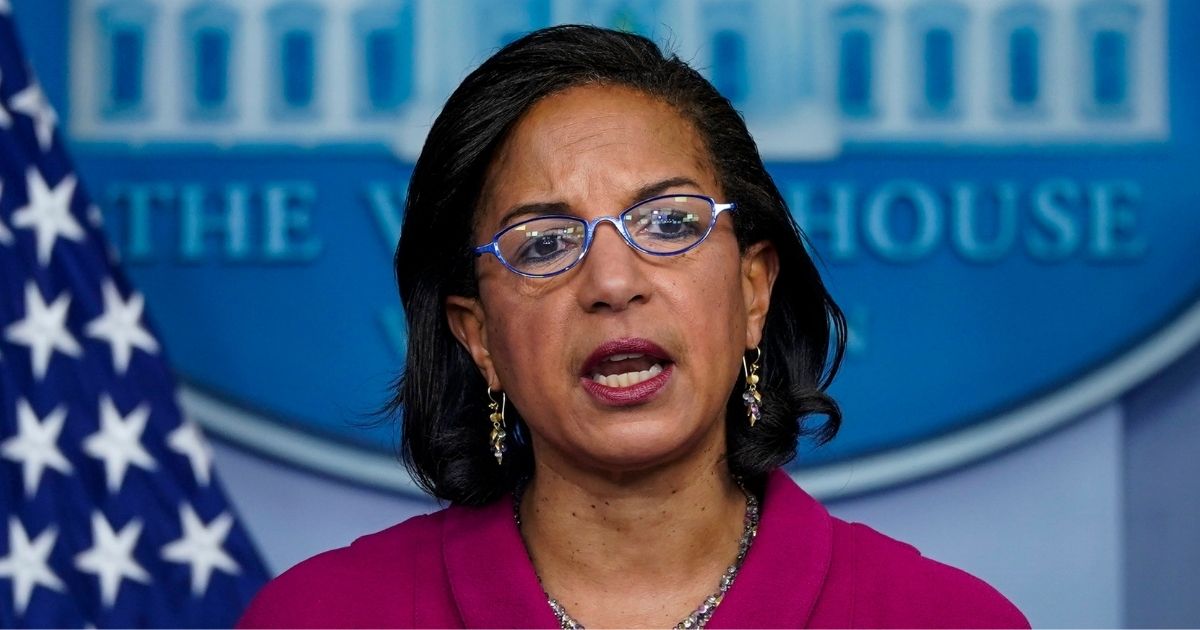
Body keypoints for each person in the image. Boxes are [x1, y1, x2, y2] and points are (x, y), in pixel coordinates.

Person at [239, 25, 1028, 629]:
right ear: (479, 338)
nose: (613, 282)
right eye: (544, 243)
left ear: (753, 292)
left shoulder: (943, 617)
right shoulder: (321, 614)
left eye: (670, 222)